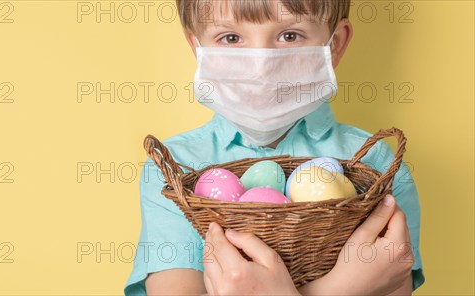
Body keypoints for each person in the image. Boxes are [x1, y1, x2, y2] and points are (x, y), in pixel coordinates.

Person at [125, 0, 424, 295]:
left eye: (290, 35)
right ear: (198, 49)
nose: (261, 65)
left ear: (334, 45)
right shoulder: (176, 167)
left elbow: (392, 279)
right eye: (231, 38)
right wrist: (336, 289)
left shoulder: (377, 164)